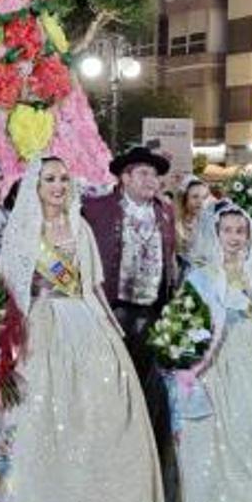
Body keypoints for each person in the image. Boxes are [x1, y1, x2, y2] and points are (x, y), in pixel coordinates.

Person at [0, 157, 163, 502]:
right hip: (36, 323)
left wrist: (111, 331)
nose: (58, 186)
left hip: (83, 322)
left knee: (96, 410)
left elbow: (92, 286)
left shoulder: (82, 228)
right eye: (50, 179)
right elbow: (9, 291)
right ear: (36, 187)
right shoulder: (22, 230)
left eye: (63, 178)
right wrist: (3, 344)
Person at [164, 200, 252, 502]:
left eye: (241, 231)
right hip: (216, 354)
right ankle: (218, 499)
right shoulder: (201, 272)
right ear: (216, 233)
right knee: (219, 422)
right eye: (228, 231)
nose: (235, 238)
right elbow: (184, 321)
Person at [82, 145, 177, 379]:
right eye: (144, 173)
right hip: (111, 308)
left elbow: (171, 258)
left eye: (155, 175)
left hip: (152, 311)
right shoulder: (96, 208)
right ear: (125, 177)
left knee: (148, 376)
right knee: (113, 374)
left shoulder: (165, 211)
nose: (152, 180)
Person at [174, 176, 210, 279]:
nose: (200, 201)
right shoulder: (175, 223)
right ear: (185, 199)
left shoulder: (208, 223)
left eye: (203, 197)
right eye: (195, 197)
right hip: (180, 276)